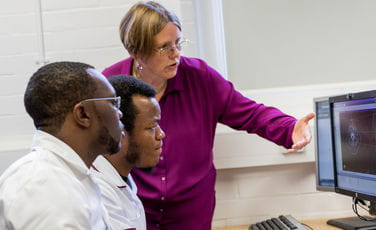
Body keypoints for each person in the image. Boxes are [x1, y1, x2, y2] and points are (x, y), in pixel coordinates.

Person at [102, 1, 315, 229]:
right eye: (165, 47)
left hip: (192, 210)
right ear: (136, 51)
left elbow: (250, 113)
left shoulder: (200, 77)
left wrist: (289, 128)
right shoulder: (111, 85)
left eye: (178, 43)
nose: (176, 54)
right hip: (136, 206)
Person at [0, 61, 124, 230]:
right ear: (83, 114)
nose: (120, 113)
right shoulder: (45, 186)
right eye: (112, 103)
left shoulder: (68, 175)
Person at [92, 75, 165, 230]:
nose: (161, 134)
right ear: (118, 130)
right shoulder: (98, 192)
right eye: (151, 127)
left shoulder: (121, 177)